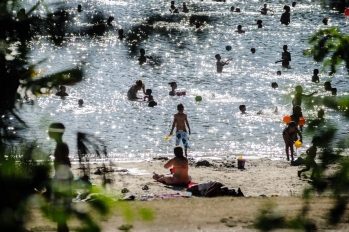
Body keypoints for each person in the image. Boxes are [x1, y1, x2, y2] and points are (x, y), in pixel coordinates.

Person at [48, 123, 73, 232]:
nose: (48, 132)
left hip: (61, 180)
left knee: (60, 216)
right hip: (60, 178)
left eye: (50, 130)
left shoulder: (61, 146)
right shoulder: (60, 145)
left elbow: (64, 165)